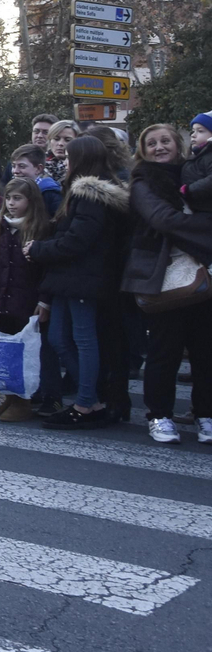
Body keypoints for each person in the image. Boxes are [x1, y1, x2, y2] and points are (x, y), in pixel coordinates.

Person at [24, 136, 130, 429]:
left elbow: (77, 240)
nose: (65, 162)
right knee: (59, 338)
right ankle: (92, 396)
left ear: (81, 160)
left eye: (69, 158)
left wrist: (37, 249)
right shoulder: (83, 192)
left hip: (84, 279)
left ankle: (87, 403)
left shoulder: (89, 194)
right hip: (71, 279)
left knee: (82, 341)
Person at [122, 124, 212, 445]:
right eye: (151, 143)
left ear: (179, 145)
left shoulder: (194, 178)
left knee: (206, 352)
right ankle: (159, 415)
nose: (159, 147)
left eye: (165, 141)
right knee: (165, 351)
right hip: (165, 278)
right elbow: (163, 220)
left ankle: (206, 414)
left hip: (204, 277)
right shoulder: (143, 183)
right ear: (142, 151)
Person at [0, 177, 51, 421]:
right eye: (8, 198)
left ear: (31, 202)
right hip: (1, 298)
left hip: (27, 299)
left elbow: (47, 270)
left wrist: (44, 299)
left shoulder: (41, 229)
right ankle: (9, 396)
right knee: (6, 350)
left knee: (26, 350)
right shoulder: (1, 227)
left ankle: (24, 400)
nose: (10, 203)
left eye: (17, 198)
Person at [9, 143, 64, 215]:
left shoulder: (48, 192)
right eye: (13, 166)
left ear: (38, 169)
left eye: (22, 166)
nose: (15, 171)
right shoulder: (12, 190)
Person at [182, 112, 212, 210]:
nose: (193, 135)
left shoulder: (209, 154)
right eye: (193, 131)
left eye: (200, 131)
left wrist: (189, 190)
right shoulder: (198, 155)